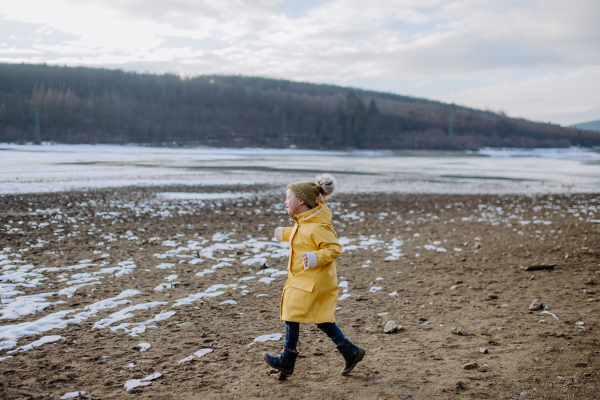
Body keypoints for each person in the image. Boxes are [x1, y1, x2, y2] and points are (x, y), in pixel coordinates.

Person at [263, 173, 365, 377]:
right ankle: (350, 351)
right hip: (305, 280)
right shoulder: (304, 223)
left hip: (313, 280)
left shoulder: (317, 226)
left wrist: (316, 257)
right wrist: (282, 233)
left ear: (301, 201)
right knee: (321, 318)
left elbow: (334, 248)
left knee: (291, 312)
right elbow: (298, 234)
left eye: (288, 198)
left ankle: (287, 359)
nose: (285, 202)